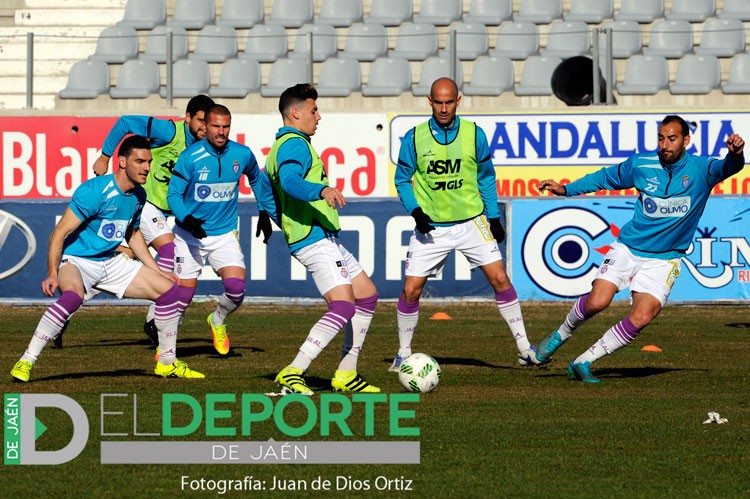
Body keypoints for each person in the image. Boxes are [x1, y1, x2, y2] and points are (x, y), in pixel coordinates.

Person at [537, 115, 745, 383]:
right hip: (629, 248)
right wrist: (566, 190)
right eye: (661, 138)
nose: (665, 144)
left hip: (666, 259)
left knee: (644, 315)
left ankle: (583, 361)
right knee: (598, 301)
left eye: (672, 139)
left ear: (686, 140)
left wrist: (736, 154)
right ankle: (561, 334)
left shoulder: (701, 169)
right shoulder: (642, 164)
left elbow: (730, 167)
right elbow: (605, 178)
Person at [10, 135, 204, 382]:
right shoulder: (95, 191)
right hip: (77, 261)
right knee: (72, 298)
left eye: (149, 161)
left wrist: (156, 270)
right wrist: (51, 272)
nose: (147, 167)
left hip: (110, 261)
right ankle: (26, 361)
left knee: (168, 291)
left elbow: (133, 235)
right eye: (140, 161)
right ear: (122, 162)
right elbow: (60, 232)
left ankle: (167, 363)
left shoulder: (139, 196)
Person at [390, 77, 542, 371]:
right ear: (430, 102)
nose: (444, 108)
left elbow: (486, 177)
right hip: (431, 226)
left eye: (449, 102)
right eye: (439, 102)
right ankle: (403, 353)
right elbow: (402, 180)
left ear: (458, 101)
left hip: (473, 222)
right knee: (411, 291)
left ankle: (524, 348)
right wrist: (416, 211)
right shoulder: (414, 137)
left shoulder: (474, 134)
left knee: (500, 280)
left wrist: (493, 216)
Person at [265, 83, 380, 395]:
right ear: (296, 112)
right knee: (342, 306)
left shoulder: (284, 145)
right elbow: (289, 181)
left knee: (366, 295)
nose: (319, 116)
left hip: (321, 235)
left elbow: (265, 186)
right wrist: (321, 190)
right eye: (314, 110)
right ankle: (294, 370)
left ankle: (346, 373)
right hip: (313, 237)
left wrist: (273, 215)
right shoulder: (293, 144)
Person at [91, 95, 215, 344]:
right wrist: (105, 156)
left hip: (174, 213)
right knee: (168, 248)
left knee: (126, 258)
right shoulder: (169, 131)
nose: (206, 127)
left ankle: (66, 310)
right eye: (201, 121)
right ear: (188, 118)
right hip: (146, 203)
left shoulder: (209, 147)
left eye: (209, 122)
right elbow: (126, 122)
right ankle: (155, 319)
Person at [167, 104, 274, 356]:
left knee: (237, 291)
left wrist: (263, 211)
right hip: (188, 236)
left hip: (224, 234)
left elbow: (256, 179)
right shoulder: (190, 157)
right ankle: (167, 350)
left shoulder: (242, 154)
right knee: (182, 298)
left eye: (226, 126)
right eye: (216, 126)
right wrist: (187, 218)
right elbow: (173, 195)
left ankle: (217, 321)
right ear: (205, 126)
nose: (221, 131)